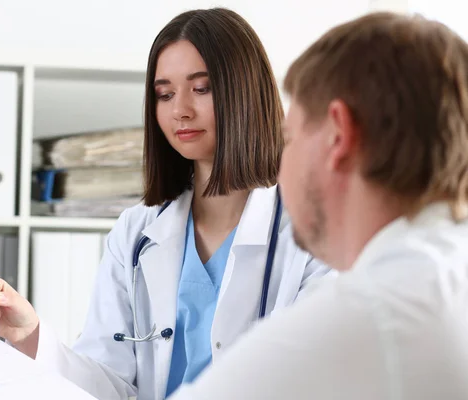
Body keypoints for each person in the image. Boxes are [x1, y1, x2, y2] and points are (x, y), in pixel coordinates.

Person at [0, 7, 330, 400]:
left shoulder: (312, 234)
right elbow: (110, 385)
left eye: (201, 89)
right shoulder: (136, 233)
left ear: (245, 94)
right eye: (163, 94)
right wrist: (30, 335)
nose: (180, 110)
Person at [165, 11, 468, 400]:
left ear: (337, 136)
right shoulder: (446, 274)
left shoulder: (368, 314)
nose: (280, 163)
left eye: (289, 138)